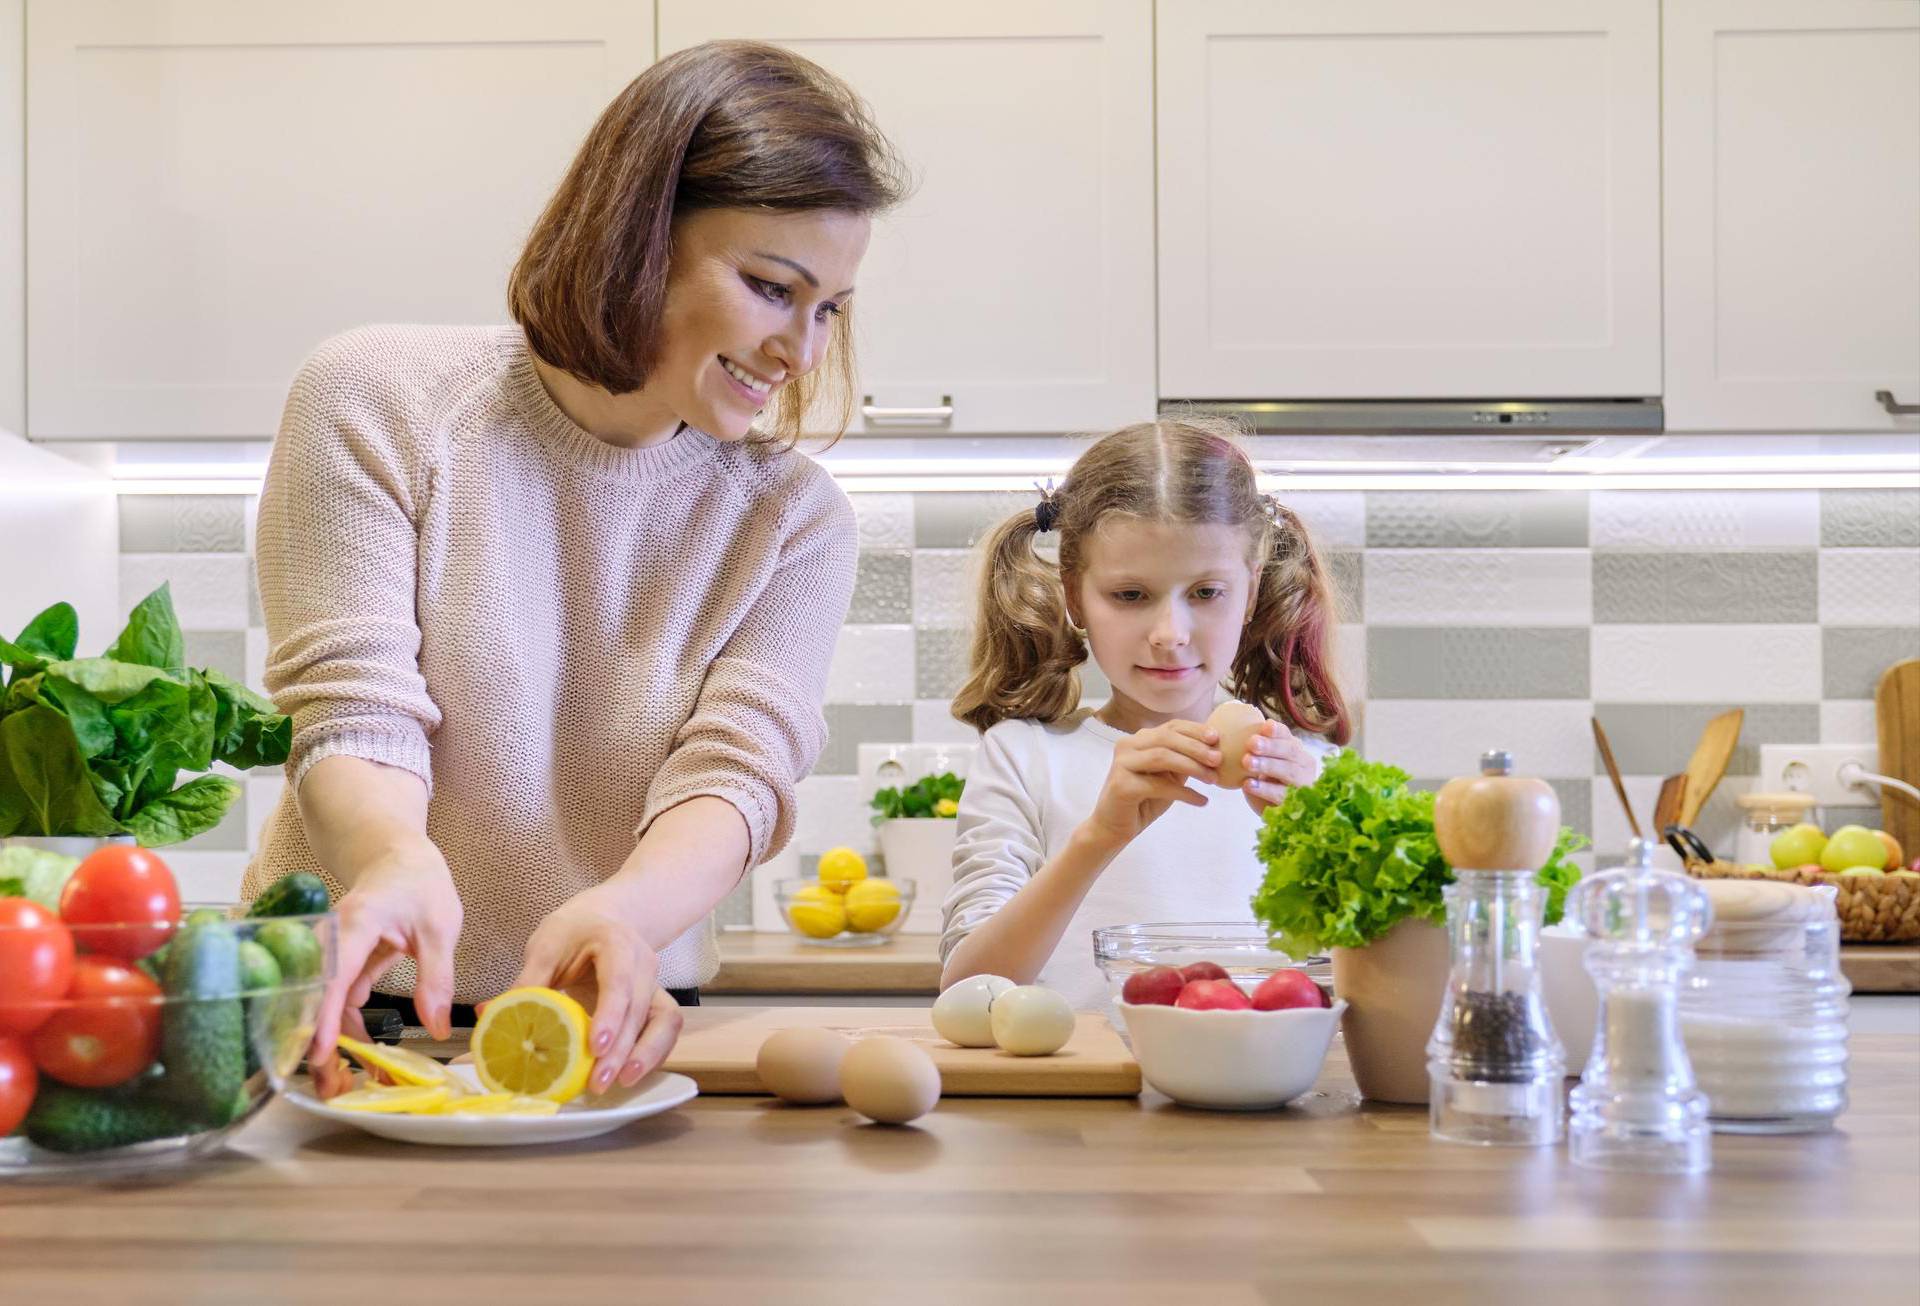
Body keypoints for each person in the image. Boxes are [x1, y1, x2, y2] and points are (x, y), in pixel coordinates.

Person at [240, 41, 907, 1094]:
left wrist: (627, 912)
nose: (804, 353)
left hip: (614, 1010)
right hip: (352, 1005)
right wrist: (392, 861)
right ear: (635, 240)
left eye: (830, 308)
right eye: (773, 289)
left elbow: (736, 771)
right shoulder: (374, 399)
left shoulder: (794, 520)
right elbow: (354, 708)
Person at [939, 419, 1354, 1009]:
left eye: (1207, 593)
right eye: (1130, 595)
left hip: (1266, 1094)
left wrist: (1322, 842)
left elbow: (1384, 986)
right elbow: (966, 991)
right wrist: (1098, 838)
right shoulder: (1024, 757)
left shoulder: (1310, 772)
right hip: (1077, 1099)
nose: (1170, 635)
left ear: (1250, 591)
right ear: (1073, 593)